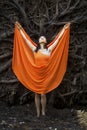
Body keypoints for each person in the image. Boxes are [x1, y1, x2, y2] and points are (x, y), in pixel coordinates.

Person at [14, 21, 70, 117]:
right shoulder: (35, 49)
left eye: (43, 37)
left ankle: (43, 111)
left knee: (43, 94)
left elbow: (58, 40)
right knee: (36, 93)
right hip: (36, 73)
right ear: (39, 41)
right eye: (41, 38)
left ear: (46, 41)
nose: (42, 38)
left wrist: (64, 30)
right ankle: (38, 113)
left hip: (45, 73)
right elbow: (26, 40)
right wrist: (20, 29)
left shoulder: (49, 49)